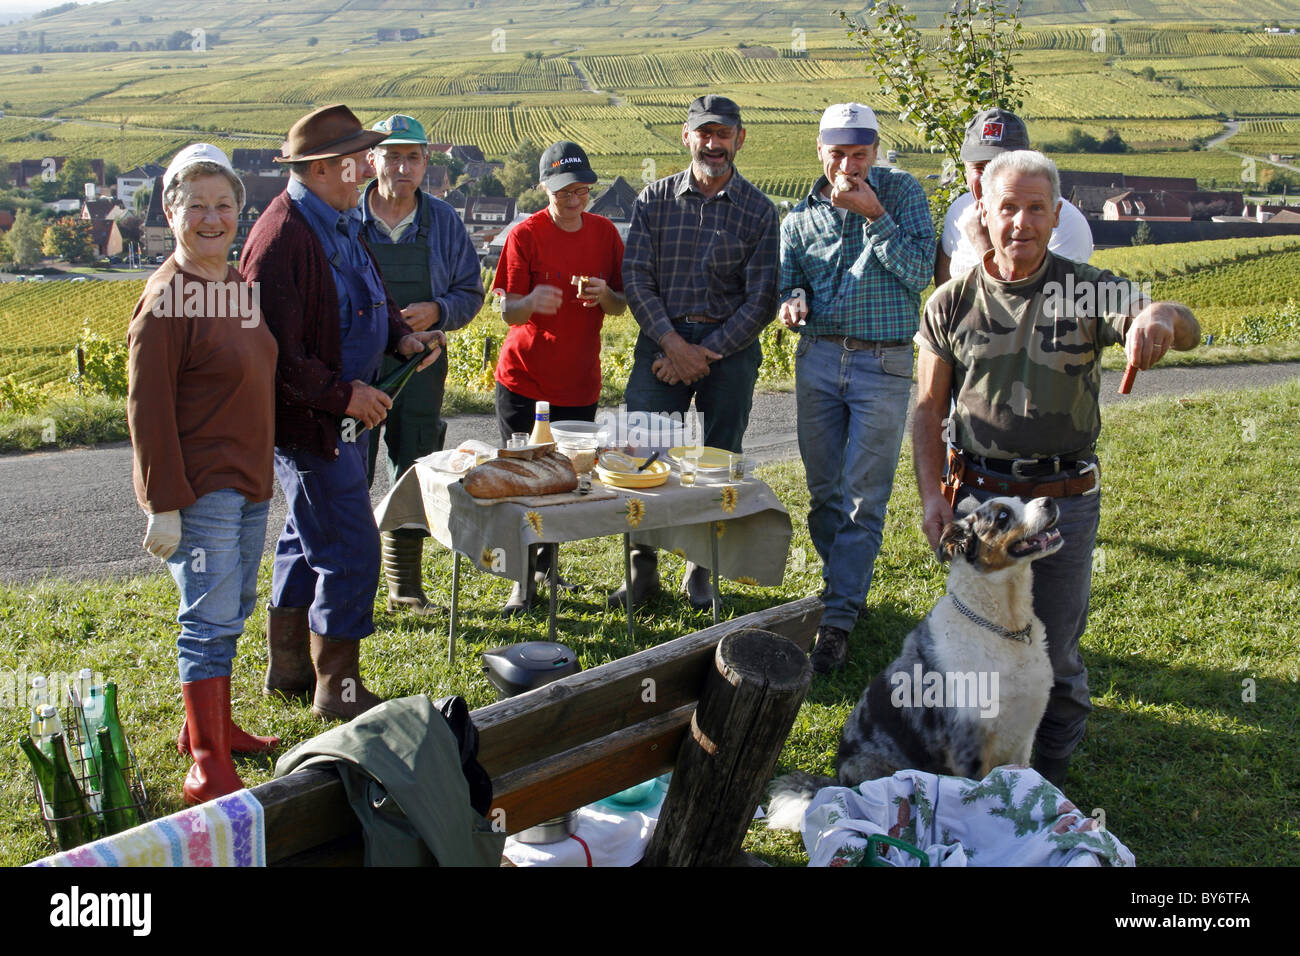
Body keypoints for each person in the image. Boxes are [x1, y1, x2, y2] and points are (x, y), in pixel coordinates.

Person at [913, 149, 1200, 786]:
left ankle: (1047, 787)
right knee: (979, 650)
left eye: (1035, 208)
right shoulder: (951, 302)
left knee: (1057, 655)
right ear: (982, 211)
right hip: (980, 506)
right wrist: (933, 497)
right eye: (1006, 207)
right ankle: (976, 777)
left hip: (1063, 500)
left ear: (1057, 213)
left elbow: (1185, 325)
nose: (1020, 222)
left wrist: (1157, 318)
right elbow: (927, 407)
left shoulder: (1088, 288)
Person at [240, 104, 444, 722]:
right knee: (352, 547)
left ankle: (291, 668)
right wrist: (344, 394)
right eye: (357, 158)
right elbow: (276, 354)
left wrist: (397, 340)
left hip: (345, 420)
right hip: (311, 426)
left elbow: (370, 292)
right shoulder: (279, 240)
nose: (366, 167)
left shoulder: (339, 219)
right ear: (324, 167)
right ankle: (339, 689)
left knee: (306, 538)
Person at [127, 143, 279, 804]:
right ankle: (209, 764)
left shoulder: (233, 284)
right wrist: (163, 502)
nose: (213, 219)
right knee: (208, 621)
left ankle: (208, 730)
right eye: (198, 207)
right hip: (202, 486)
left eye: (225, 206)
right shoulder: (166, 300)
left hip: (247, 478)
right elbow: (147, 405)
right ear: (171, 211)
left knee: (232, 608)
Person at [777, 103, 935, 674]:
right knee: (824, 494)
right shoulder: (798, 216)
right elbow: (788, 275)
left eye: (860, 154)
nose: (849, 165)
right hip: (818, 360)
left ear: (875, 150)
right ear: (820, 151)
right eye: (838, 153)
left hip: (884, 365)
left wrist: (875, 216)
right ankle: (845, 584)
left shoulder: (902, 193)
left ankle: (836, 619)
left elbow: (921, 273)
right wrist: (791, 300)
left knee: (865, 498)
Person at [614, 94, 778, 611]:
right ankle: (642, 573)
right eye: (704, 133)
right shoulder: (653, 200)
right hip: (662, 343)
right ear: (686, 137)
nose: (713, 144)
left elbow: (762, 299)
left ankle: (701, 570)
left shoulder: (759, 211)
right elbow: (635, 278)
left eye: (723, 134)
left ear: (739, 139)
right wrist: (672, 343)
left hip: (727, 348)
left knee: (718, 460)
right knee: (642, 457)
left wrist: (701, 353)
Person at [491, 140, 627, 613]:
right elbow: (505, 309)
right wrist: (531, 303)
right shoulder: (524, 235)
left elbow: (621, 304)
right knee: (524, 478)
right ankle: (519, 582)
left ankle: (548, 573)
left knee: (565, 480)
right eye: (565, 191)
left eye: (582, 190)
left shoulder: (606, 233)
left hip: (579, 384)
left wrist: (606, 293)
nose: (574, 200)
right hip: (524, 381)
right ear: (546, 188)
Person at [361, 114, 484, 615]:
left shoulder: (444, 221)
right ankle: (353, 585)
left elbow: (471, 293)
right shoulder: (349, 218)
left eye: (412, 156)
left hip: (423, 365)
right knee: (350, 473)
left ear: (426, 162)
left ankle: (403, 586)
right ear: (372, 160)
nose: (402, 166)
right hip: (358, 369)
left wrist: (439, 310)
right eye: (391, 155)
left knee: (412, 470)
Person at [934, 108, 1093, 286]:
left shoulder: (1065, 223)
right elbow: (945, 279)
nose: (989, 178)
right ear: (965, 167)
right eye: (980, 168)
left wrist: (985, 247)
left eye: (1000, 167)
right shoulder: (959, 210)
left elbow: (1046, 305)